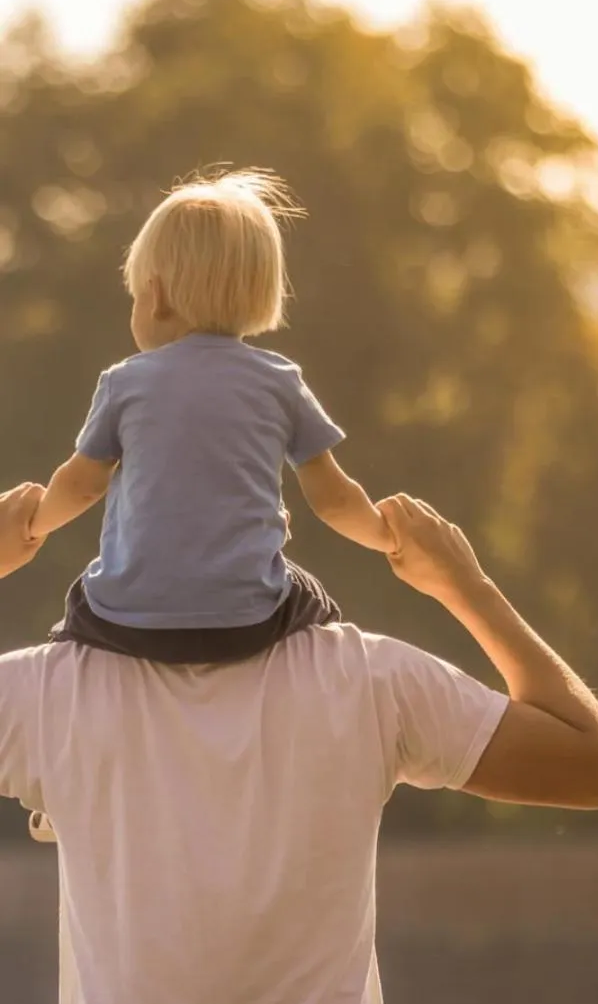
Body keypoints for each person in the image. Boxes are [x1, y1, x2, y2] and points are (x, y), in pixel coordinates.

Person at [0, 481, 598, 1004]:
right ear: (279, 526)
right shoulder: (367, 679)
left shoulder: (48, 694)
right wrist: (464, 587)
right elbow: (596, 763)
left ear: (120, 530)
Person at [30, 168, 396, 667]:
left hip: (127, 622)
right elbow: (334, 500)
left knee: (81, 600)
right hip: (248, 624)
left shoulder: (125, 382)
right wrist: (387, 535)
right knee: (313, 599)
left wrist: (32, 523)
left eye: (135, 296)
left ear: (154, 297)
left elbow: (81, 487)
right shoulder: (280, 381)